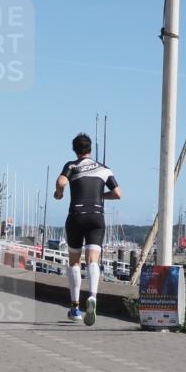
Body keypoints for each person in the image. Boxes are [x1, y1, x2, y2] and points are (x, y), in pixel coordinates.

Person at [53, 133, 122, 325]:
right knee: (93, 260)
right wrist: (100, 197)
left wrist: (59, 193)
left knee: (74, 262)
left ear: (75, 150)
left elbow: (61, 182)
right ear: (90, 149)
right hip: (96, 217)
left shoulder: (72, 166)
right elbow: (118, 193)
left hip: (77, 216)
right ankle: (93, 296)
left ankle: (75, 308)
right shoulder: (104, 169)